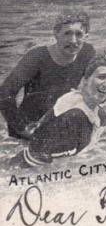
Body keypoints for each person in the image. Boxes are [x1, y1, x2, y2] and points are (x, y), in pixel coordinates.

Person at [10, 53, 106, 168]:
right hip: (25, 172)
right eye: (101, 77)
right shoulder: (74, 115)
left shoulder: (99, 115)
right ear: (85, 80)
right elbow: (56, 171)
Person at [0, 10, 96, 139]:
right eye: (67, 33)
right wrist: (23, 129)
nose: (73, 40)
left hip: (58, 123)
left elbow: (94, 87)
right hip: (29, 126)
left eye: (79, 34)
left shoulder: (87, 53)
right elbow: (5, 94)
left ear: (86, 35)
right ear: (56, 34)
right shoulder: (37, 58)